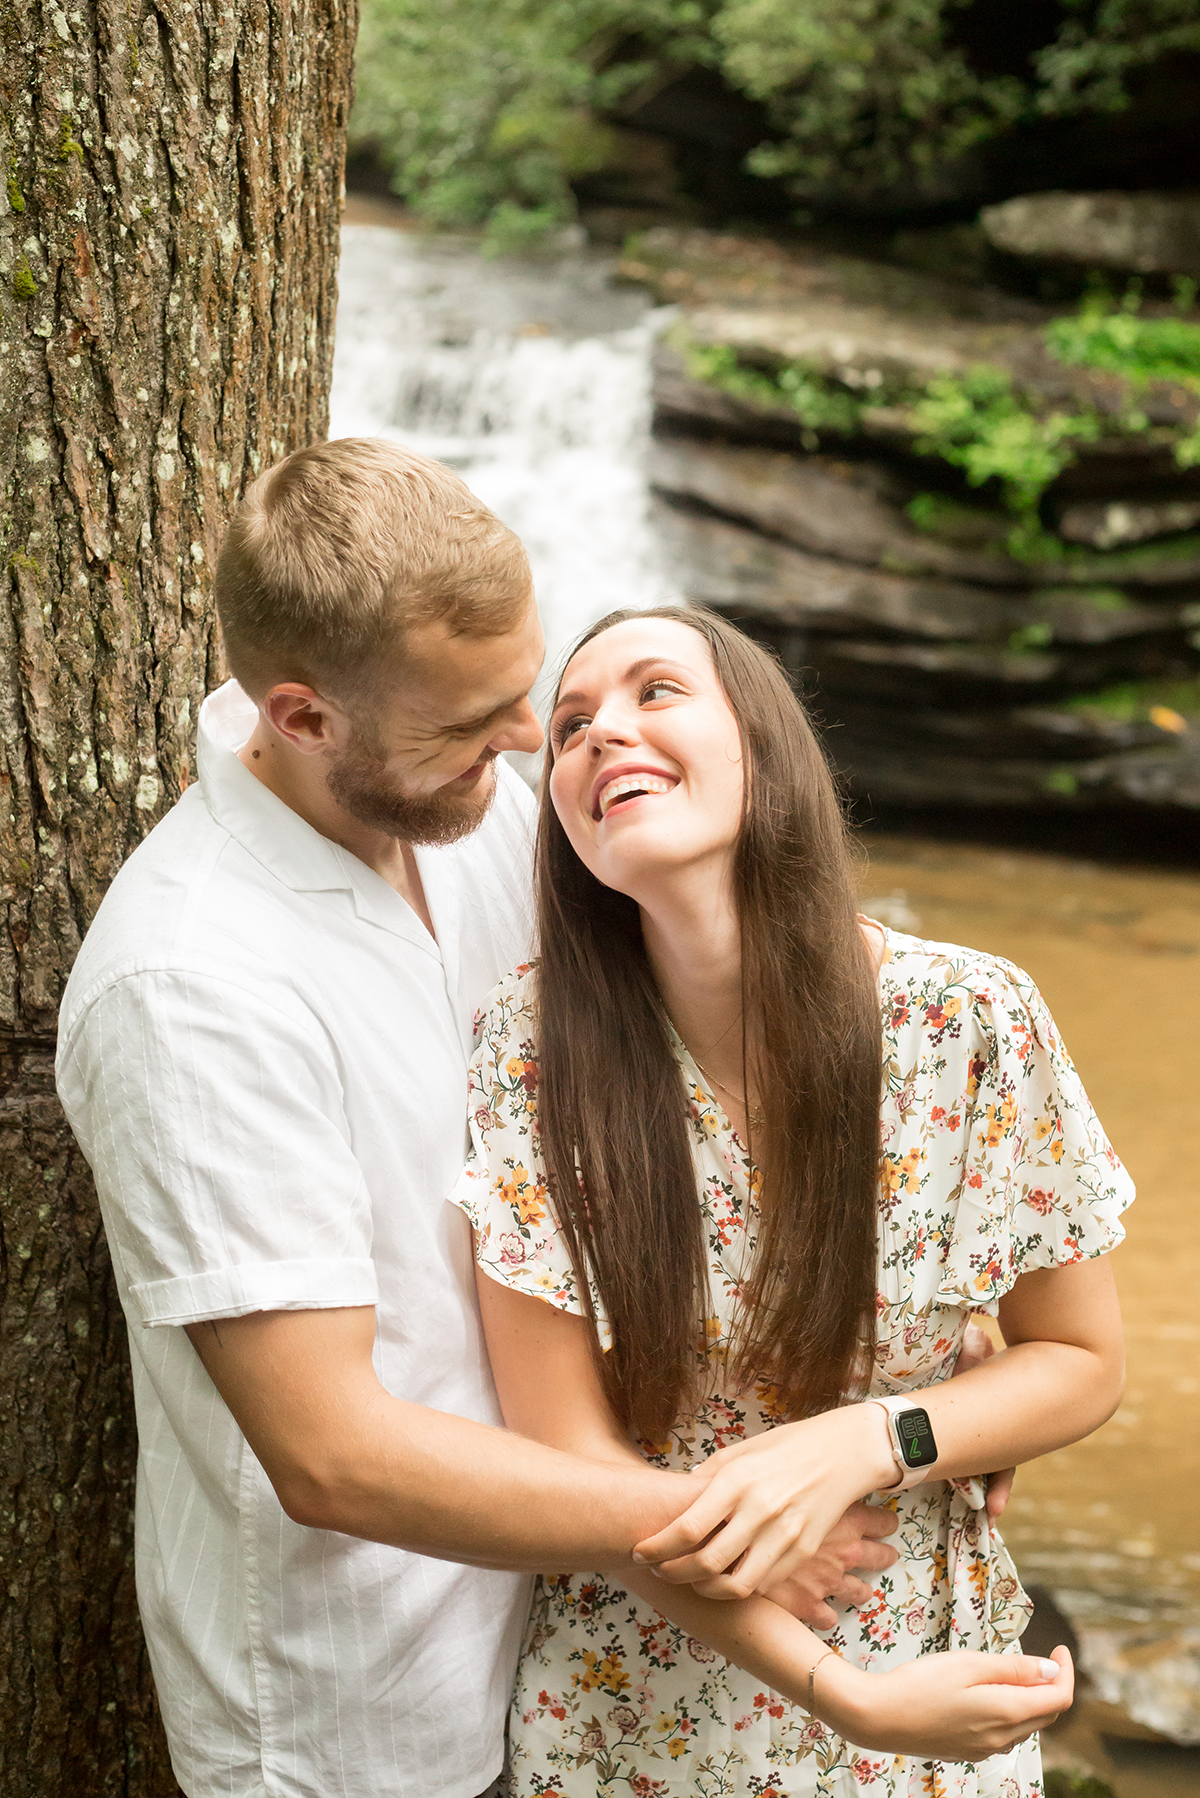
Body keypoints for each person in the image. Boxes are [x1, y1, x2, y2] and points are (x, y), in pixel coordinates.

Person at [54, 441, 910, 1798]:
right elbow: (331, 1450)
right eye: (472, 722)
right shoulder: (192, 987)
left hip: (574, 1646)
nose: (527, 742)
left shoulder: (466, 804)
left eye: (526, 693)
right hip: (365, 1708)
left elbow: (699, 1010)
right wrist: (728, 1521)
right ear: (304, 716)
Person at [452, 604, 1131, 1796]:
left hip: (925, 1673)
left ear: (763, 747)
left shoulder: (968, 1020)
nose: (602, 731)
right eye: (568, 726)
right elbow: (560, 1445)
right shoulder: (528, 1048)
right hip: (636, 1698)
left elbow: (1079, 1356)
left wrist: (870, 1439)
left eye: (656, 691)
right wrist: (762, 1565)